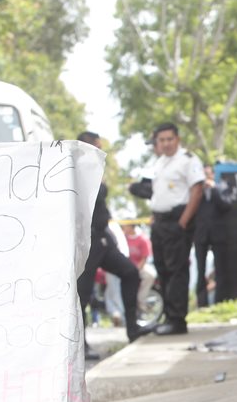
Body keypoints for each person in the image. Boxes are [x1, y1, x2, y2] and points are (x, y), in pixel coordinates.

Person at [75, 132, 141, 358]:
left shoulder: (96, 169)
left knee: (131, 272)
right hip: (87, 240)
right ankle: (79, 346)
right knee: (81, 294)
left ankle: (133, 328)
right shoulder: (76, 171)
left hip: (103, 238)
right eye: (97, 147)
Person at [146, 121, 205, 335]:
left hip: (177, 220)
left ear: (177, 139)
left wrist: (183, 222)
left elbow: (197, 190)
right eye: (161, 140)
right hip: (160, 222)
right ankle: (169, 316)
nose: (166, 143)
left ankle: (178, 320)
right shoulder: (160, 162)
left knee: (176, 269)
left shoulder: (188, 160)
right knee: (162, 269)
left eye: (170, 139)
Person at [193, 164, 236, 307]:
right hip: (200, 235)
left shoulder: (221, 188)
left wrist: (214, 189)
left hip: (218, 234)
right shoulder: (195, 192)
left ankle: (220, 301)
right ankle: (202, 302)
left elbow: (227, 206)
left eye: (208, 175)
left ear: (213, 176)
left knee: (221, 268)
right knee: (200, 269)